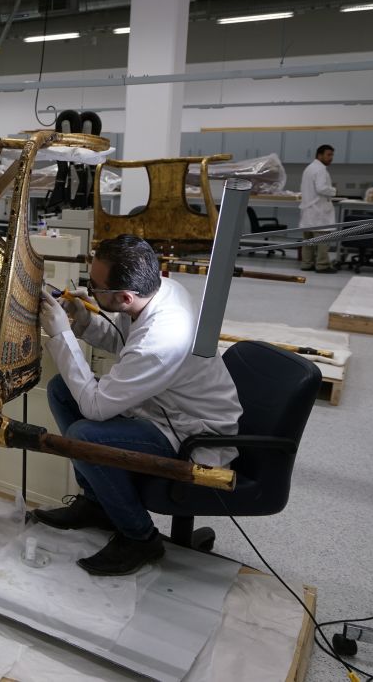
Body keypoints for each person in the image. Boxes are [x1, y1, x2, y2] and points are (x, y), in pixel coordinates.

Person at [32, 235, 243, 576]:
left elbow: (96, 408)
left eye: (95, 286)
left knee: (85, 436)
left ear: (125, 296)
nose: (89, 290)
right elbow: (127, 341)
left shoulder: (162, 339)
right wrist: (85, 321)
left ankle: (141, 538)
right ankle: (99, 505)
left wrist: (60, 335)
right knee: (60, 390)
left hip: (193, 431)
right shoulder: (161, 291)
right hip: (164, 404)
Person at [299, 144, 338, 273]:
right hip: (318, 210)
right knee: (322, 240)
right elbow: (321, 188)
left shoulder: (309, 168)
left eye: (332, 155)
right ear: (319, 155)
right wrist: (333, 191)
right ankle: (322, 265)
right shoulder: (320, 169)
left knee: (308, 240)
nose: (331, 158)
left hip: (309, 210)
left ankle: (307, 264)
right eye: (328, 155)